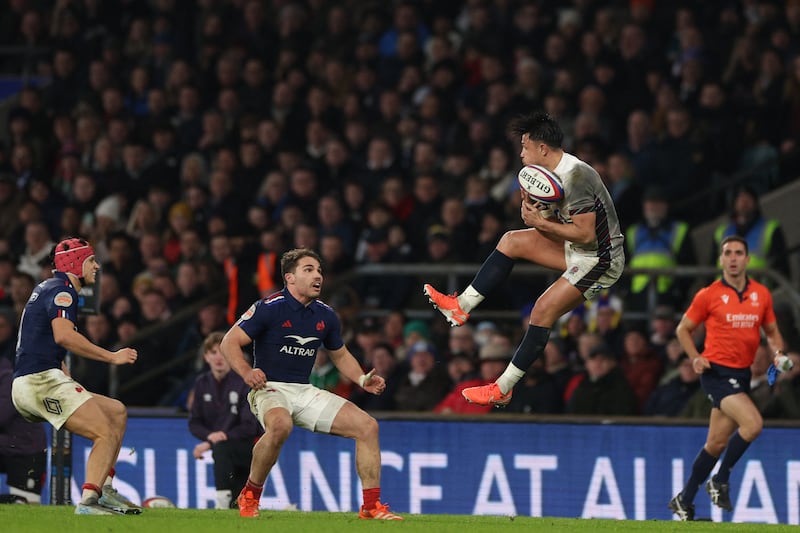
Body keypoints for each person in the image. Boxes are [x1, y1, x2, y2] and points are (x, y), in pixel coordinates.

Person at [423, 111, 625, 406]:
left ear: (542, 148)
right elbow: (556, 224)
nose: (520, 154)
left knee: (541, 310)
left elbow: (585, 235)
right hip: (577, 249)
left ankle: (502, 387)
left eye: (524, 146)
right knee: (510, 240)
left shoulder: (577, 176)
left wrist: (540, 223)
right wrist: (536, 213)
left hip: (600, 259)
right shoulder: (545, 176)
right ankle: (460, 306)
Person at [220, 248, 403, 520]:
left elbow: (339, 354)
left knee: (367, 426)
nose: (318, 275)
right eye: (309, 270)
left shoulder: (326, 315)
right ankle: (250, 494)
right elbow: (228, 342)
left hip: (303, 391)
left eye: (319, 270)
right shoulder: (268, 307)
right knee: (281, 424)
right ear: (289, 278)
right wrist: (247, 372)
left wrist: (361, 378)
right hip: (269, 388)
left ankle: (371, 507)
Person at [10, 237, 141, 515]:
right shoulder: (64, 292)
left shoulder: (49, 287)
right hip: (39, 382)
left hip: (36, 380)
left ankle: (104, 489)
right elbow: (64, 336)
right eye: (92, 260)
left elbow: (48, 344)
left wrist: (68, 381)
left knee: (116, 411)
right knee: (104, 431)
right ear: (75, 263)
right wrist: (112, 356)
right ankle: (88, 503)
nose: (97, 266)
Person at [669, 235, 790, 521]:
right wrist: (695, 356)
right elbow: (682, 329)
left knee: (716, 444)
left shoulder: (761, 294)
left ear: (747, 259)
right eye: (728, 253)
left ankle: (684, 499)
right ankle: (720, 479)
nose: (733, 258)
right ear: (721, 259)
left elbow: (771, 331)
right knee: (754, 424)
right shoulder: (708, 294)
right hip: (716, 373)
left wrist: (777, 353)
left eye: (738, 253)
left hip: (742, 373)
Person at [188, 331, 263, 510]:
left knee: (221, 448)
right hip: (225, 450)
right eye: (213, 352)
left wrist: (216, 439)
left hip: (250, 448)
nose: (218, 357)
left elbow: (250, 425)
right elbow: (194, 422)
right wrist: (211, 436)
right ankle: (227, 505)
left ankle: (220, 502)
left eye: (222, 352)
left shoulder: (244, 381)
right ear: (206, 357)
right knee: (238, 507)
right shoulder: (202, 383)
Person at [0, 357, 47, 503]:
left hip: (26, 451)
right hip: (5, 446)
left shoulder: (7, 375)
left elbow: (2, 415)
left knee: (28, 506)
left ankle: (16, 501)